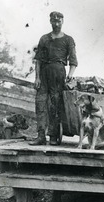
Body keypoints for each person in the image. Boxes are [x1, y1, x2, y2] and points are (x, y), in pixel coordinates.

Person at [29, 11, 78, 146]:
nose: (56, 24)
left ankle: (54, 136)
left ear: (62, 22)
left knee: (55, 105)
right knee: (40, 103)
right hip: (44, 73)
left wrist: (70, 74)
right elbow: (38, 60)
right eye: (54, 21)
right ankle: (40, 136)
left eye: (59, 21)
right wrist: (37, 78)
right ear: (50, 22)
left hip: (59, 73)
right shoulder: (44, 39)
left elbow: (73, 61)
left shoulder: (68, 40)